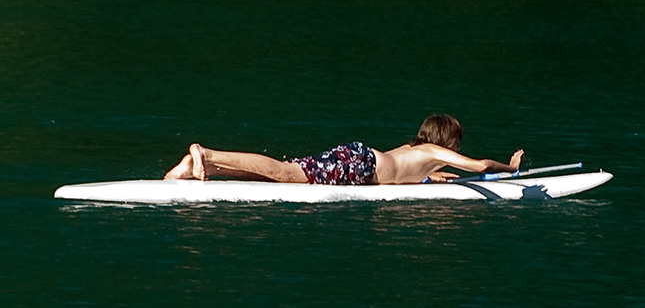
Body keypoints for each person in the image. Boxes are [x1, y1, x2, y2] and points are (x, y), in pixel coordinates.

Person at [163, 114, 523, 185]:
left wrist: (436, 179)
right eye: (456, 143)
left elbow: (406, 171)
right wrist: (508, 168)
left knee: (283, 175)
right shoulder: (436, 151)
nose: (458, 149)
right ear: (448, 141)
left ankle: (197, 170)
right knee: (287, 173)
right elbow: (477, 167)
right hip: (359, 166)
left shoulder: (419, 153)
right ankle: (206, 153)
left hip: (358, 158)